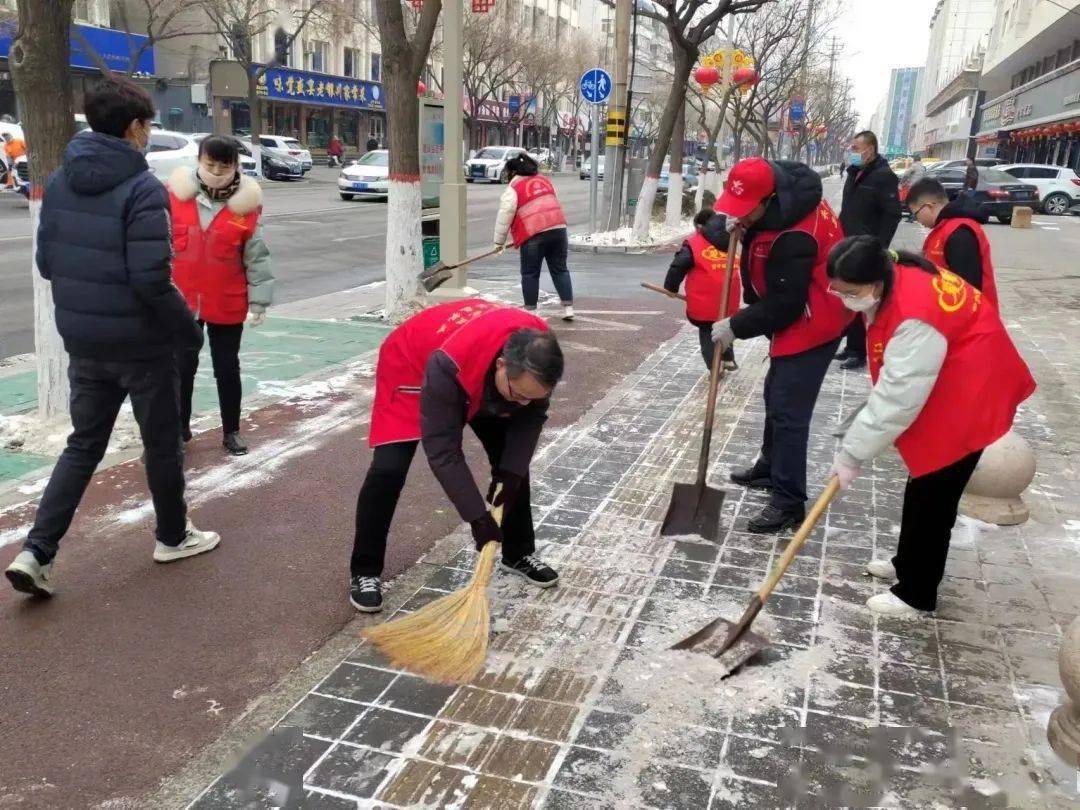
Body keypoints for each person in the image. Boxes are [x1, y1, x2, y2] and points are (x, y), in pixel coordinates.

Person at [4, 78, 218, 598]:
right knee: (161, 445)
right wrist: (187, 331)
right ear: (134, 127)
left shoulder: (59, 181)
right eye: (146, 125)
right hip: (143, 345)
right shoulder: (143, 188)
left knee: (83, 445)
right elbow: (151, 278)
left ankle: (37, 550)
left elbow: (47, 262)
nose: (147, 134)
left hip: (84, 342)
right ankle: (172, 535)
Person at [827, 237, 1035, 618]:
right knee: (922, 483)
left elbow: (899, 396)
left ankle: (916, 593)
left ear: (875, 282)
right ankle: (908, 562)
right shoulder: (896, 273)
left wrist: (853, 453)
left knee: (934, 496)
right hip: (955, 374)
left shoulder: (915, 314)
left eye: (849, 292)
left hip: (971, 393)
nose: (843, 299)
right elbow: (899, 379)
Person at [348, 299, 564, 612]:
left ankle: (517, 552)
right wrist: (477, 517)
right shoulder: (448, 363)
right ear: (502, 364)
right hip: (414, 364)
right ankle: (365, 571)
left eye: (533, 397)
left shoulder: (541, 356)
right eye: (519, 394)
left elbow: (530, 418)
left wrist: (511, 474)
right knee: (389, 469)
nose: (524, 403)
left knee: (512, 466)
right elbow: (443, 449)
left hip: (482, 376)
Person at [709, 157, 851, 533]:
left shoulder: (796, 235)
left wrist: (735, 326)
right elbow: (750, 236)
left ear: (770, 198)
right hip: (798, 311)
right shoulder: (783, 200)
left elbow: (786, 304)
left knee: (789, 409)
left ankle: (789, 500)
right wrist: (734, 225)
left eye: (746, 210)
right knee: (775, 392)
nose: (741, 214)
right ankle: (769, 469)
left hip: (813, 319)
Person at [167, 136, 273, 456]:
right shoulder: (175, 198)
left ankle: (231, 431)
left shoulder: (246, 207)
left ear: (235, 166)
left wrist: (259, 301)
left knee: (226, 368)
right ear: (199, 161)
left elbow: (257, 257)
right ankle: (178, 428)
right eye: (210, 163)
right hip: (181, 301)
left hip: (227, 301)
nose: (216, 170)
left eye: (223, 165)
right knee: (181, 368)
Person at [836, 130, 902, 371]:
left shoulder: (884, 177)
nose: (851, 152)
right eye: (851, 147)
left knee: (864, 300)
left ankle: (861, 351)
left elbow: (892, 214)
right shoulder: (855, 173)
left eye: (856, 148)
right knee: (850, 297)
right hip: (848, 244)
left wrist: (879, 246)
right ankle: (852, 347)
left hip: (867, 247)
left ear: (870, 149)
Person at [493, 153, 574, 322]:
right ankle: (568, 308)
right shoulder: (544, 181)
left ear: (514, 171)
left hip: (533, 233)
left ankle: (531, 312)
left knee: (530, 273)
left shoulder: (514, 187)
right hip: (558, 229)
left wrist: (498, 242)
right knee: (560, 269)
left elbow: (505, 215)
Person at [663, 208, 741, 371]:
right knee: (725, 324)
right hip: (730, 295)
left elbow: (679, 265)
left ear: (699, 227)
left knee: (708, 330)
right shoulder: (732, 238)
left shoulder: (694, 243)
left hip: (704, 299)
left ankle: (715, 366)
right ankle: (728, 358)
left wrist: (671, 287)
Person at [907, 177, 998, 307]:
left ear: (929, 207)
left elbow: (968, 289)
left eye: (915, 214)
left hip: (969, 317)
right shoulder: (942, 228)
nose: (917, 220)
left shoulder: (959, 233)